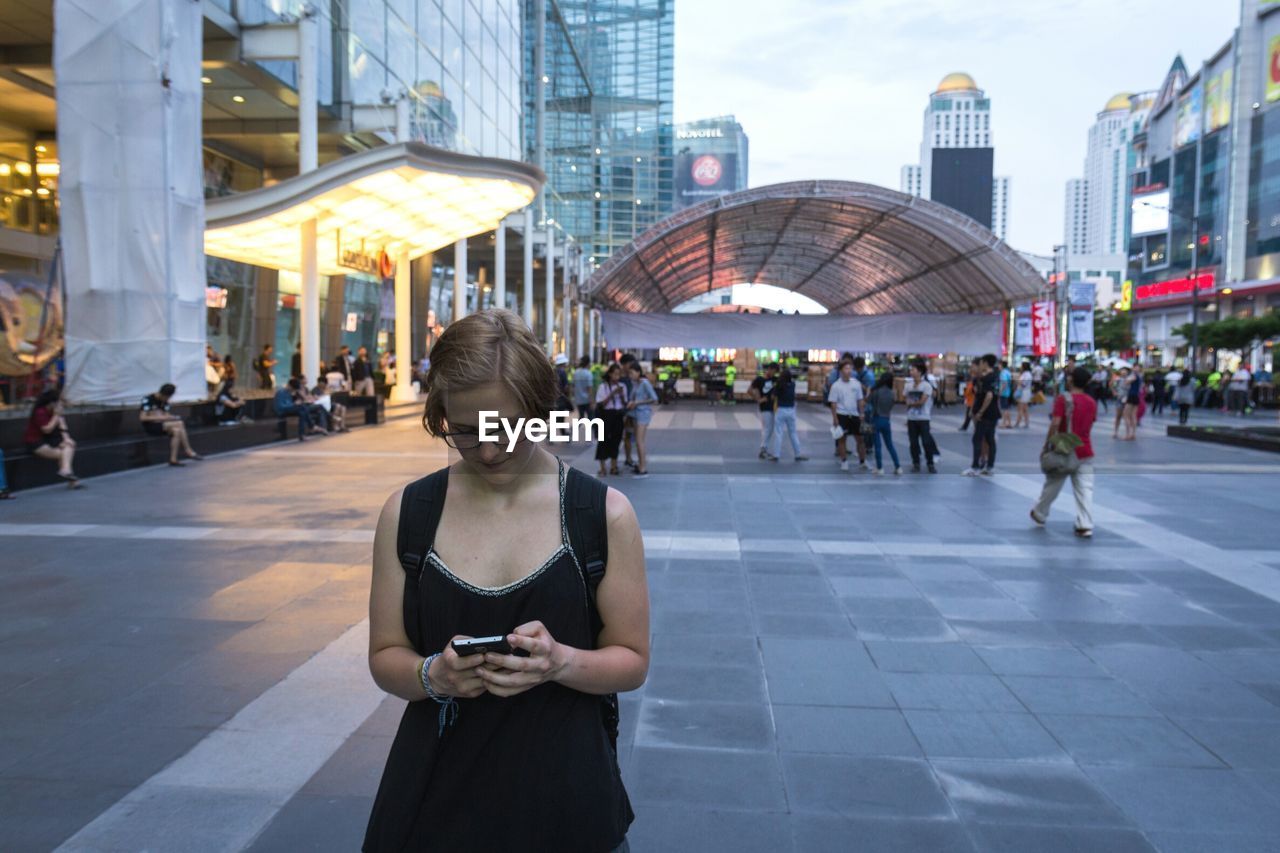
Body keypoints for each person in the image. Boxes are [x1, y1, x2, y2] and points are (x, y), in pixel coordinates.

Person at [363, 308, 647, 852]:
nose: (488, 451)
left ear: (540, 410)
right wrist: (432, 675)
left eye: (506, 429)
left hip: (566, 802)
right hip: (431, 802)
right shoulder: (410, 512)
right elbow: (385, 655)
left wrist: (560, 661)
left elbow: (631, 660)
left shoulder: (601, 515)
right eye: (464, 431)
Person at [1031, 366, 1098, 539]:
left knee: (1053, 482)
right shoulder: (1091, 401)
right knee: (1085, 489)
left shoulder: (1064, 399)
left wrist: (1047, 445)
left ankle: (1040, 513)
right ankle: (1085, 525)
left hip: (1064, 449)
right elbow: (1090, 424)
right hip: (1085, 450)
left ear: (1071, 380)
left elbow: (1055, 423)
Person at [23, 388, 82, 488]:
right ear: (51, 403)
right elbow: (47, 429)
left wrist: (67, 439)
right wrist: (56, 415)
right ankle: (71, 480)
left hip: (50, 440)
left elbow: (63, 426)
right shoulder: (40, 412)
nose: (60, 406)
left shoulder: (55, 411)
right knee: (63, 454)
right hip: (35, 443)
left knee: (69, 446)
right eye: (58, 403)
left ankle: (66, 471)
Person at [141, 383, 202, 467]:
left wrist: (169, 417)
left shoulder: (165, 401)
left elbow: (166, 415)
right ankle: (188, 450)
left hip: (164, 424)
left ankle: (173, 459)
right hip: (151, 426)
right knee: (180, 423)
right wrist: (160, 417)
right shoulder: (148, 399)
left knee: (176, 431)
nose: (168, 399)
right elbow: (143, 418)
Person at [963, 354, 1000, 476]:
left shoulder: (987, 378)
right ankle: (989, 466)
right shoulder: (995, 377)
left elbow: (988, 396)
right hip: (993, 413)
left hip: (985, 414)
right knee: (990, 439)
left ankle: (975, 467)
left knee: (977, 439)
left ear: (984, 363)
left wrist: (980, 412)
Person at [828, 359, 865, 473]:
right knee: (842, 439)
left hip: (854, 414)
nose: (849, 371)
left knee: (860, 439)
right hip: (842, 414)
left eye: (850, 368)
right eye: (846, 368)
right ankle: (844, 461)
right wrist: (835, 418)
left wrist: (861, 412)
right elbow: (833, 403)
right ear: (841, 370)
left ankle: (862, 461)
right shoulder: (836, 386)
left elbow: (860, 399)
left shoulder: (856, 384)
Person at [905, 359, 939, 473]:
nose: (911, 372)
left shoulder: (926, 386)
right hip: (911, 418)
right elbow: (906, 400)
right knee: (913, 442)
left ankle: (930, 463)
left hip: (924, 418)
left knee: (926, 441)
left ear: (919, 372)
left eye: (913, 370)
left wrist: (912, 403)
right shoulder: (908, 385)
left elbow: (922, 401)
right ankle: (916, 463)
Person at [595, 362, 628, 476]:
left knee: (616, 440)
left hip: (617, 415)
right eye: (615, 374)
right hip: (606, 415)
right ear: (610, 374)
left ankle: (614, 466)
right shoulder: (603, 387)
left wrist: (622, 395)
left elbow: (625, 403)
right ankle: (602, 467)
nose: (617, 377)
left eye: (619, 375)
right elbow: (601, 404)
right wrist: (612, 394)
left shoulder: (623, 386)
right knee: (603, 440)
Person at [767, 367, 807, 462]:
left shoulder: (779, 385)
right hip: (791, 410)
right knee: (793, 433)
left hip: (781, 410)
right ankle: (798, 454)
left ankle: (776, 455)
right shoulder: (793, 385)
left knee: (779, 433)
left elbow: (773, 397)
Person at [866, 371, 902, 476]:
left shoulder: (876, 391)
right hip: (886, 419)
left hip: (876, 419)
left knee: (877, 445)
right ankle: (898, 466)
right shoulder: (892, 393)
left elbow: (868, 401)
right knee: (890, 444)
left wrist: (868, 392)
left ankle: (880, 468)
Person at [626, 362, 658, 478]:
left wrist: (638, 403)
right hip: (635, 414)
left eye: (632, 373)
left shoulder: (644, 383)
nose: (630, 375)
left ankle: (643, 467)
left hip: (643, 413)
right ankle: (640, 465)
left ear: (638, 372)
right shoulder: (635, 383)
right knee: (637, 441)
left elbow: (654, 398)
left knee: (640, 441)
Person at [749, 362, 778, 459]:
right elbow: (749, 390)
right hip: (765, 407)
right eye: (773, 371)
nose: (774, 373)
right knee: (767, 428)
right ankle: (763, 448)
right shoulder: (760, 379)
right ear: (769, 369)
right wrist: (758, 399)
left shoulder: (775, 380)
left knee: (770, 428)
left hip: (773, 407)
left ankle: (765, 447)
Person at [959, 357, 980, 432]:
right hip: (971, 399)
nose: (971, 367)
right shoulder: (972, 377)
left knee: (972, 414)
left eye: (973, 366)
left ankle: (968, 427)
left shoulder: (979, 378)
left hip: (975, 402)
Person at [1014, 361, 1033, 428]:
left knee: (1021, 408)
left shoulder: (1027, 374)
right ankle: (1025, 422)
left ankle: (1018, 422)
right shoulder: (1026, 374)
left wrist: (1018, 381)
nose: (1020, 367)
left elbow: (1023, 384)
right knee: (1024, 408)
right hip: (1024, 392)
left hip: (1024, 392)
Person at [998, 360, 1014, 428]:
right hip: (1008, 392)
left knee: (1004, 409)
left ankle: (1004, 423)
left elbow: (1004, 383)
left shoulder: (1003, 373)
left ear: (1001, 365)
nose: (998, 366)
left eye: (999, 364)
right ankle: (1009, 423)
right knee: (1006, 408)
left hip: (1004, 393)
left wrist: (1000, 392)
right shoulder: (1008, 372)